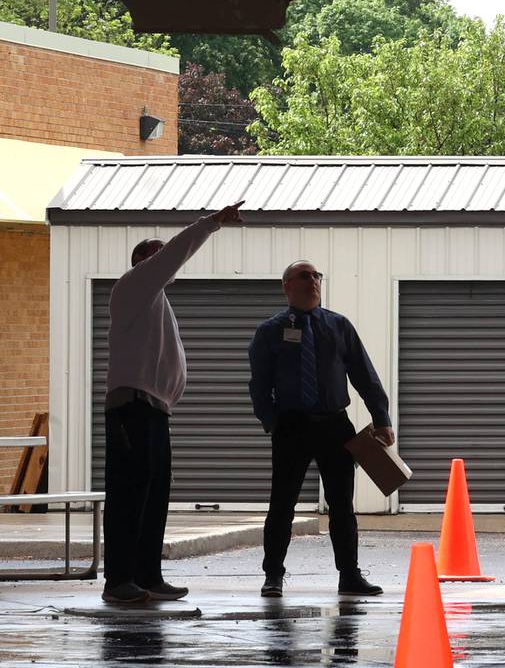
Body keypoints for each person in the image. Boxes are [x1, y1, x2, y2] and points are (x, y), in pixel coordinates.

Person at [102, 201, 245, 604]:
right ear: (143, 262)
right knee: (129, 493)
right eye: (158, 253)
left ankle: (147, 575)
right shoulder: (133, 287)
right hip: (131, 406)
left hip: (154, 408)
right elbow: (174, 252)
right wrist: (213, 222)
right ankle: (118, 582)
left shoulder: (156, 303)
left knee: (154, 493)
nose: (168, 261)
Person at [248, 259, 395, 598]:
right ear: (287, 286)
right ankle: (273, 576)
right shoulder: (270, 331)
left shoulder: (338, 326)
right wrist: (273, 422)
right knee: (282, 503)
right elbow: (259, 384)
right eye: (304, 276)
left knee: (342, 504)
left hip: (335, 425)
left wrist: (382, 418)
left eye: (316, 276)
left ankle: (350, 575)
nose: (313, 281)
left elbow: (364, 374)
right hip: (292, 425)